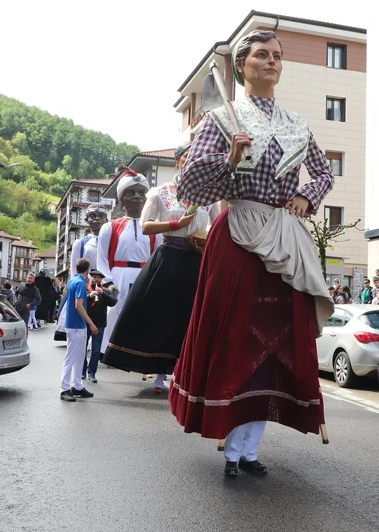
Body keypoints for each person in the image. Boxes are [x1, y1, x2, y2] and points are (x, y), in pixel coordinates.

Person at [169, 28, 335, 477]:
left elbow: (323, 174)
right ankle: (230, 443)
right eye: (262, 54)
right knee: (236, 337)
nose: (271, 61)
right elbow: (190, 188)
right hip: (239, 233)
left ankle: (250, 448)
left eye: (277, 55)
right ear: (242, 66)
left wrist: (305, 198)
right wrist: (228, 159)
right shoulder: (220, 120)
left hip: (283, 236)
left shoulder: (297, 123)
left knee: (277, 342)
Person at [101, 142, 216, 393]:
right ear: (178, 161)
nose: (194, 160)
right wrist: (175, 225)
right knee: (163, 316)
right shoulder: (160, 192)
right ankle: (159, 372)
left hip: (198, 259)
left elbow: (215, 227)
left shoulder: (208, 196)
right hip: (170, 258)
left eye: (199, 156)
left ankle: (190, 374)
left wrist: (205, 238)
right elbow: (146, 226)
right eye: (188, 156)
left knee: (194, 318)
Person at [96, 170, 161, 353]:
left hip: (144, 275)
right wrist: (107, 281)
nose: (137, 197)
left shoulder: (155, 229)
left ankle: (134, 352)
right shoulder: (110, 227)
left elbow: (157, 257)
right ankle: (108, 351)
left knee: (141, 313)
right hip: (118, 276)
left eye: (141, 193)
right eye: (131, 193)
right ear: (122, 198)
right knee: (114, 312)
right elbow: (102, 258)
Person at [60, 259, 97, 401]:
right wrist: (91, 323)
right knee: (71, 358)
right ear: (88, 269)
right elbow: (79, 305)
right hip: (77, 325)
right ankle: (64, 389)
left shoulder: (72, 280)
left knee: (79, 356)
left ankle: (77, 386)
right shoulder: (81, 283)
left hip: (75, 325)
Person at [83, 271, 117, 383]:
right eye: (94, 277)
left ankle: (91, 373)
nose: (96, 279)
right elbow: (79, 302)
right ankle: (82, 371)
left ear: (101, 280)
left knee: (96, 350)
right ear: (90, 278)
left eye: (98, 278)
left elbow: (113, 302)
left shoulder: (105, 291)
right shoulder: (85, 289)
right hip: (85, 323)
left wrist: (102, 293)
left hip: (100, 324)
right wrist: (89, 296)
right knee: (83, 349)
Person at [71, 204, 111, 277]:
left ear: (106, 220)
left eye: (101, 216)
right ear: (86, 220)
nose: (97, 219)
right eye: (92, 216)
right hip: (88, 281)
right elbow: (74, 271)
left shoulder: (112, 242)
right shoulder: (80, 243)